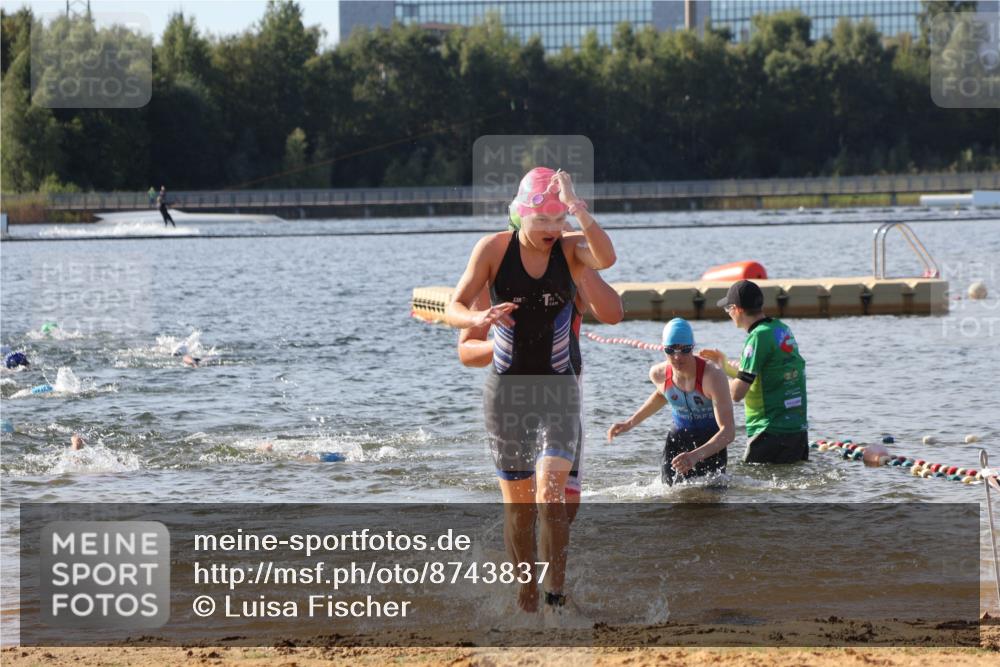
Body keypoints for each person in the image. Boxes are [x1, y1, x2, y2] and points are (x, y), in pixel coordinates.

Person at [446, 166, 616, 617]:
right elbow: (453, 306)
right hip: (507, 396)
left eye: (560, 220)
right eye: (544, 221)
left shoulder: (572, 249)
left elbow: (607, 257)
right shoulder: (492, 249)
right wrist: (477, 322)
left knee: (551, 493)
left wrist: (578, 207)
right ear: (521, 216)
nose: (552, 230)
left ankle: (555, 593)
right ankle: (526, 591)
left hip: (559, 390)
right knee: (519, 511)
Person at [458, 227, 623, 514]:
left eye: (555, 222)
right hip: (513, 397)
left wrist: (578, 262)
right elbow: (467, 352)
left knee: (562, 506)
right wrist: (503, 344)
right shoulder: (496, 272)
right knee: (522, 506)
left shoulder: (572, 259)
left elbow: (613, 314)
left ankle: (552, 558)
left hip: (562, 395)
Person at [607, 318, 735, 484]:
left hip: (710, 445)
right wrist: (630, 423)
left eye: (684, 350)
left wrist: (695, 456)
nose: (677, 357)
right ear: (663, 348)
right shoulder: (658, 374)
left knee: (709, 504)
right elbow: (662, 395)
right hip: (678, 441)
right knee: (669, 498)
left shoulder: (713, 376)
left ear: (693, 347)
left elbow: (728, 432)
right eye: (670, 350)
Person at [699, 280, 808, 464]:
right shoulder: (780, 329)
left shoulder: (757, 338)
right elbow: (759, 376)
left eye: (728, 309)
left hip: (768, 431)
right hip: (797, 430)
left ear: (737, 309)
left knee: (754, 489)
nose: (729, 314)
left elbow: (737, 393)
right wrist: (723, 364)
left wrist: (713, 383)